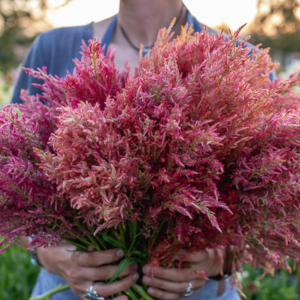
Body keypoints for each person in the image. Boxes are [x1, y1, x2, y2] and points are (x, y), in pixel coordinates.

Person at [13, 1, 243, 299]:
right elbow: (12, 186)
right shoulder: (53, 47)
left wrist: (219, 260)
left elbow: (268, 201)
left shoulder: (235, 55)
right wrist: (48, 255)